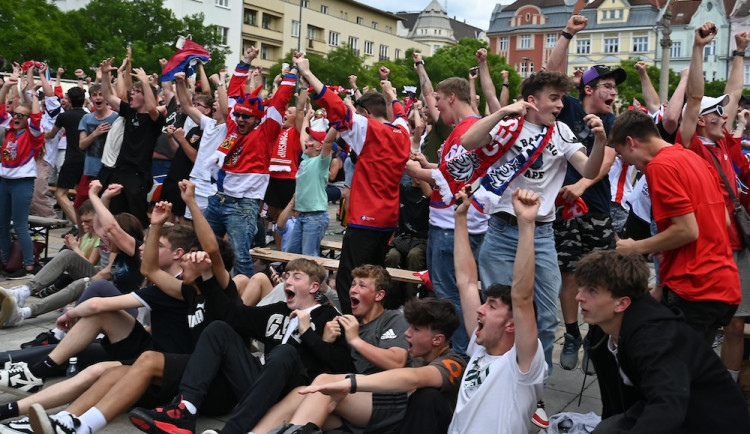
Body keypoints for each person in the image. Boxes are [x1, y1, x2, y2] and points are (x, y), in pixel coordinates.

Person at [457, 71, 606, 427]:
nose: (559, 104)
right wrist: (501, 112)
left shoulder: (562, 133)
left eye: (561, 98)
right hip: (501, 229)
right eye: (553, 98)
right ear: (533, 100)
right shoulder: (509, 127)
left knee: (547, 314)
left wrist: (600, 140)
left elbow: (589, 167)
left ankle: (533, 389)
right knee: (501, 312)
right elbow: (468, 141)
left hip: (541, 234)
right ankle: (499, 376)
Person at [128, 256, 352, 434]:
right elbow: (232, 315)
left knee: (285, 352)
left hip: (295, 395)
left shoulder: (329, 317)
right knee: (218, 329)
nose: (288, 282)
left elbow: (343, 366)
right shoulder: (278, 310)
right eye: (286, 276)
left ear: (314, 287)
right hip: (260, 385)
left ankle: (232, 431)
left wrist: (308, 334)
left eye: (296, 277)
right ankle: (185, 410)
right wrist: (207, 276)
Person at [574, 250, 750, 433]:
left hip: (711, 423)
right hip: (676, 412)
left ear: (622, 303)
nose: (579, 297)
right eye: (583, 287)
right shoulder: (608, 331)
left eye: (592, 291)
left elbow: (668, 407)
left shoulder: (654, 337)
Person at [293, 54, 411, 314]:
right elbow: (401, 113)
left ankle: (352, 326)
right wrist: (389, 89)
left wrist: (308, 72)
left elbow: (334, 104)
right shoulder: (402, 131)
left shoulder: (368, 128)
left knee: (351, 278)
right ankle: (376, 322)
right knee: (375, 277)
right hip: (387, 219)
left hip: (365, 218)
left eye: (359, 114)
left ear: (366, 114)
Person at [611, 109, 741, 346]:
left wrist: (636, 247)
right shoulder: (694, 158)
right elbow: (723, 221)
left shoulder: (659, 167)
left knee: (677, 375)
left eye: (621, 155)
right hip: (722, 284)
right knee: (697, 371)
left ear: (630, 142)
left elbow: (687, 230)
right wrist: (665, 247)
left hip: (693, 286)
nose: (627, 163)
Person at [251, 264, 409, 434]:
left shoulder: (391, 319)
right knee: (302, 392)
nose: (354, 290)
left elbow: (396, 362)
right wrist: (326, 341)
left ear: (379, 295)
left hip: (387, 400)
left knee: (325, 385)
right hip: (350, 401)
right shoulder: (342, 323)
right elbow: (333, 369)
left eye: (362, 286)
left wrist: (355, 340)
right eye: (353, 284)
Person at [676, 23, 750, 383]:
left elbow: (734, 93)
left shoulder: (722, 144)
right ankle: (694, 384)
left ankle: (726, 388)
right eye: (717, 113)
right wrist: (699, 48)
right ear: (702, 121)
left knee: (735, 322)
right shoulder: (690, 144)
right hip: (708, 250)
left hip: (736, 244)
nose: (726, 116)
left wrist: (739, 51)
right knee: (704, 326)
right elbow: (692, 99)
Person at [448, 187, 546, 433]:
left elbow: (522, 297)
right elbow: (467, 282)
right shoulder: (480, 345)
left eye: (491, 306)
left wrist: (526, 225)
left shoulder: (521, 364)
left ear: (512, 324)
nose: (479, 310)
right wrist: (461, 218)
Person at [405, 73, 488, 358]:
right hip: (452, 222)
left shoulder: (470, 128)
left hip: (453, 225)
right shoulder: (465, 127)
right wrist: (429, 165)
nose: (435, 107)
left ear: (452, 96)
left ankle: (463, 354)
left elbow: (456, 178)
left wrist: (419, 171)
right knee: (451, 290)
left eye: (438, 100)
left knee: (450, 294)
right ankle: (462, 351)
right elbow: (455, 170)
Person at [295, 297, 465, 434]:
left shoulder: (453, 363)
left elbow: (411, 377)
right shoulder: (419, 356)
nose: (407, 333)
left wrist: (350, 383)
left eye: (416, 329)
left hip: (403, 419)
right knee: (304, 395)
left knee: (427, 396)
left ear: (437, 340)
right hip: (389, 417)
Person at [203, 47, 297, 276]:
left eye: (247, 116)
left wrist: (294, 71)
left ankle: (242, 300)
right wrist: (245, 61)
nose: (240, 119)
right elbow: (235, 92)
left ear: (258, 118)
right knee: (204, 248)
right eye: (238, 115)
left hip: (244, 205)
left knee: (239, 256)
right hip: (219, 199)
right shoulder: (234, 126)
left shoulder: (267, 131)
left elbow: (281, 100)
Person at [98, 57, 165, 227]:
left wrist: (145, 82)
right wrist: (105, 75)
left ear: (145, 95)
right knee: (116, 216)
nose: (131, 95)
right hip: (120, 171)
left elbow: (151, 107)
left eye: (136, 92)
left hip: (138, 175)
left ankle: (139, 248)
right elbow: (107, 95)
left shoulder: (154, 119)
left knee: (137, 220)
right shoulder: (129, 111)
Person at [0, 71, 44, 279]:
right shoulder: (8, 130)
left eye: (20, 115)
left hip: (22, 183)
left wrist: (33, 94)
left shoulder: (33, 135)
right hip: (4, 181)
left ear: (26, 119)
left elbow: (36, 118)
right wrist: (6, 87)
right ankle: (7, 261)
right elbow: (1, 110)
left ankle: (28, 265)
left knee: (19, 225)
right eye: (14, 114)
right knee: (1, 223)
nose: (15, 117)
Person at [285, 121, 334, 257]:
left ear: (319, 146)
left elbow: (328, 142)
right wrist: (306, 116)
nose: (307, 140)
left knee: (309, 256)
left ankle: (319, 278)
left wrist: (337, 121)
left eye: (311, 139)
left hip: (315, 217)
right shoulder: (306, 158)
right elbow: (303, 137)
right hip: (302, 215)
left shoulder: (321, 162)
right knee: (291, 253)